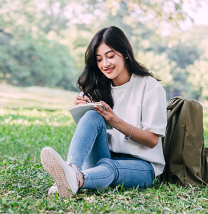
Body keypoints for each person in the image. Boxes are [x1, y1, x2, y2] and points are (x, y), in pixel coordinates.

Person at [40, 26, 167, 197]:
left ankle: (74, 180)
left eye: (110, 56)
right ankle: (72, 170)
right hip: (104, 156)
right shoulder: (97, 87)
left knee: (110, 167)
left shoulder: (149, 86)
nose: (104, 64)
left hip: (142, 166)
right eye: (99, 59)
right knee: (92, 115)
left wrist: (116, 122)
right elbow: (90, 130)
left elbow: (152, 140)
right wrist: (83, 109)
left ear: (126, 54)